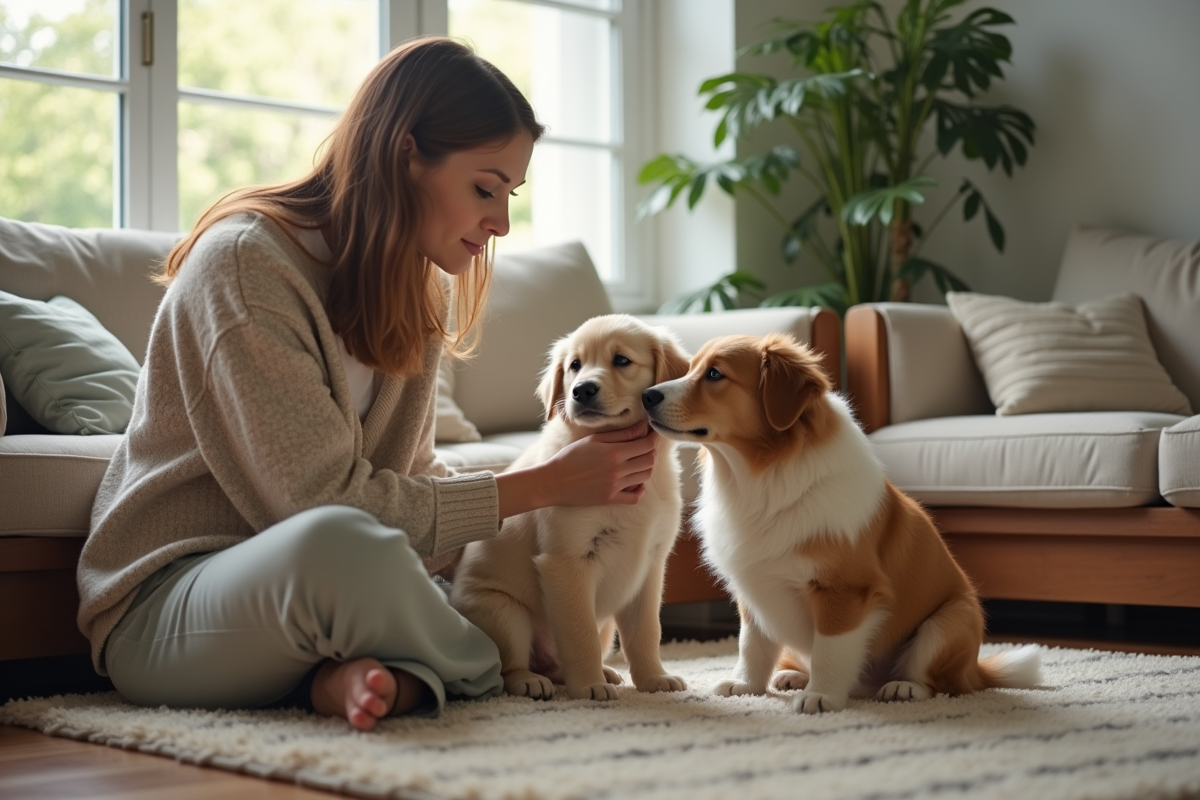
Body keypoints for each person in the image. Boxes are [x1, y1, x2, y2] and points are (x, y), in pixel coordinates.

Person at [77, 36, 659, 732]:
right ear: (405, 154)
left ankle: (355, 679)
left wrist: (511, 584)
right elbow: (322, 505)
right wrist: (543, 485)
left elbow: (412, 483)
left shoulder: (417, 291)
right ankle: (473, 666)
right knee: (343, 546)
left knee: (443, 572)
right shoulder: (243, 268)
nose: (501, 224)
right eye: (484, 188)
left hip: (325, 589)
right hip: (171, 604)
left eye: (509, 195)